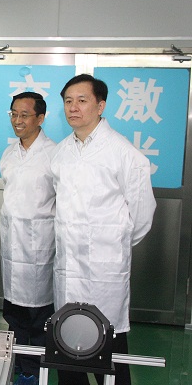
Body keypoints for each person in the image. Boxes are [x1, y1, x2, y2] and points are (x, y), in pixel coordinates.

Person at [51, 74, 156, 385]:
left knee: (109, 352)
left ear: (100, 106)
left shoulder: (124, 153)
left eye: (82, 100)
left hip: (104, 271)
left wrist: (112, 243)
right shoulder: (61, 151)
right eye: (68, 101)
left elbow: (142, 215)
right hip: (68, 269)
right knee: (66, 349)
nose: (73, 107)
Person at [0, 92, 56, 385]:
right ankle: (20, 366)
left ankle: (36, 371)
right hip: (12, 246)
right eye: (13, 114)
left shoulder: (54, 155)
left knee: (39, 316)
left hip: (40, 247)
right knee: (13, 312)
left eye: (24, 115)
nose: (17, 120)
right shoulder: (9, 154)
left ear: (40, 118)